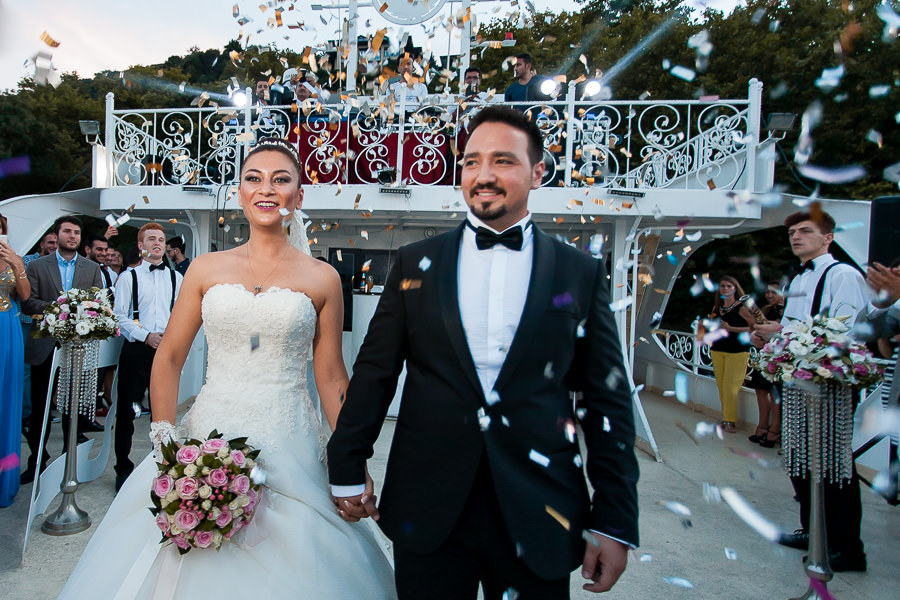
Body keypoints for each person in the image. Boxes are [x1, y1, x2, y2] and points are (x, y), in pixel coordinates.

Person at [58, 138, 395, 598]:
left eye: (281, 180)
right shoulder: (206, 268)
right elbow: (171, 356)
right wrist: (164, 439)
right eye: (254, 179)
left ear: (299, 195)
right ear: (239, 193)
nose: (267, 189)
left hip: (290, 436)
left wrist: (353, 461)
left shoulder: (323, 278)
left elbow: (333, 375)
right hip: (208, 431)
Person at [328, 106, 639, 599]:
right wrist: (345, 466)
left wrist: (616, 520)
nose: (484, 175)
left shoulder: (578, 271)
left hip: (540, 508)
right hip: (427, 504)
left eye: (503, 161)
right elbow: (374, 373)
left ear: (538, 172)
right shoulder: (416, 263)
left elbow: (607, 403)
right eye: (471, 162)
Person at [752, 209, 869, 572]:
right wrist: (770, 334)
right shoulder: (800, 279)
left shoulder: (843, 275)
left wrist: (781, 334)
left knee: (833, 465)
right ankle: (813, 529)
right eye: (792, 232)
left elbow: (842, 332)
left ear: (828, 237)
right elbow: (799, 327)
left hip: (829, 385)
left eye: (805, 231)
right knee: (801, 461)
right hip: (797, 381)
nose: (795, 237)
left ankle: (847, 546)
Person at [21, 216, 103, 484]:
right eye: (67, 231)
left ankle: (70, 460)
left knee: (72, 407)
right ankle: (37, 461)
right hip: (44, 344)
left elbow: (97, 302)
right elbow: (28, 302)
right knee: (40, 408)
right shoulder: (37, 266)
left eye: (77, 232)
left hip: (76, 348)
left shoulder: (91, 268)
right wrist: (59, 309)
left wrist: (79, 313)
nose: (72, 236)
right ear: (57, 236)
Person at [112, 223, 183, 491]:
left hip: (166, 350)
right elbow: (120, 316)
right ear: (141, 245)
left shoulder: (177, 278)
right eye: (151, 239)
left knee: (162, 412)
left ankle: (161, 466)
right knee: (126, 412)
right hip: (136, 349)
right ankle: (123, 468)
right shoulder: (128, 278)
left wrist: (169, 339)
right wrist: (145, 336)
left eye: (161, 239)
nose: (157, 243)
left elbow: (180, 314)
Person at [0, 213, 31, 507]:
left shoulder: (14, 259)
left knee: (7, 401)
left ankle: (4, 481)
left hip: (8, 328)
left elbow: (25, 295)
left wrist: (18, 265)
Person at [18, 230, 56, 435]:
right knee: (25, 372)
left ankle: (37, 413)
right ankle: (26, 415)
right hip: (25, 322)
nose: (53, 246)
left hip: (50, 327)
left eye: (56, 243)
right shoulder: (26, 262)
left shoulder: (58, 265)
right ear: (41, 243)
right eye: (50, 242)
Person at [707, 276, 754, 433]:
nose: (725, 289)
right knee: (721, 386)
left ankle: (730, 421)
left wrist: (731, 328)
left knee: (730, 387)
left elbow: (754, 328)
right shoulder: (717, 308)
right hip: (718, 349)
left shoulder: (743, 308)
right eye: (722, 286)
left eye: (729, 286)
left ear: (735, 288)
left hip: (737, 351)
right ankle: (726, 418)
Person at [745, 284, 785, 447]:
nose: (769, 295)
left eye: (773, 292)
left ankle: (775, 430)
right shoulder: (766, 310)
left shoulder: (786, 310)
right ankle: (762, 426)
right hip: (763, 354)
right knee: (760, 389)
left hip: (778, 355)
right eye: (767, 292)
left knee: (775, 393)